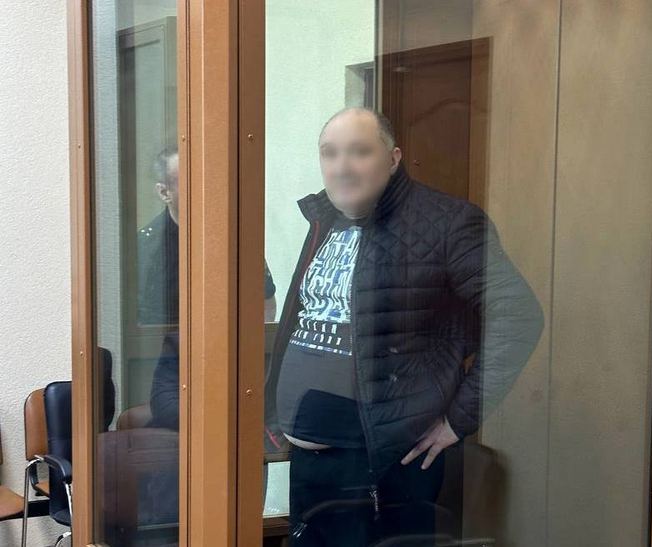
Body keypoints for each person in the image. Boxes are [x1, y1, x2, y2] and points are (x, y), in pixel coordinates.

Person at [264, 107, 545, 546]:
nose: (341, 166)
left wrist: (457, 421)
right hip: (310, 461)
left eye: (359, 152)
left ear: (393, 159)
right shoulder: (326, 219)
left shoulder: (447, 222)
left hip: (382, 465)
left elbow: (518, 315)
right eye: (330, 153)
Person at [144, 146, 277, 430]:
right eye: (189, 180)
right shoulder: (147, 246)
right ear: (164, 192)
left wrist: (254, 352)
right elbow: (145, 320)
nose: (203, 188)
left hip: (233, 355)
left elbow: (265, 300)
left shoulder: (236, 237)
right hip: (171, 364)